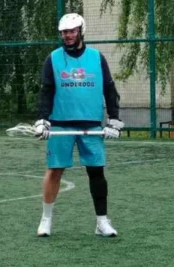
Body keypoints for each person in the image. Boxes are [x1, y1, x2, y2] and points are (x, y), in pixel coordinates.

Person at [33, 13, 123, 238]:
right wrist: (43, 120)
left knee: (96, 172)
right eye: (64, 32)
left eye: (72, 31)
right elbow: (46, 91)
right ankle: (46, 220)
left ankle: (102, 222)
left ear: (81, 31)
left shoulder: (97, 58)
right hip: (60, 125)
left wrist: (113, 120)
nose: (68, 35)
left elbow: (109, 89)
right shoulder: (53, 58)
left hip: (91, 125)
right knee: (54, 171)